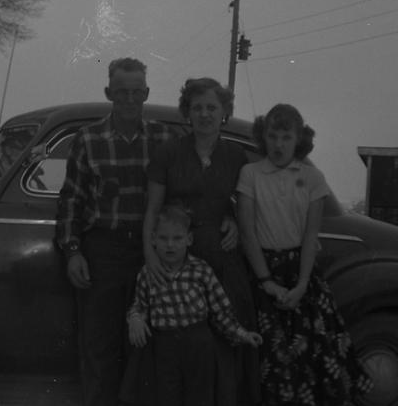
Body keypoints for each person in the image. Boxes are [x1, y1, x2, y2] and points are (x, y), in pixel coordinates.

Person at [55, 57, 175, 406]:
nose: (129, 99)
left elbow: (186, 195)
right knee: (99, 346)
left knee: (145, 345)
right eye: (121, 92)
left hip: (149, 252)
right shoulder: (88, 139)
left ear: (146, 93)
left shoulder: (165, 139)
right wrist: (73, 251)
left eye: (136, 92)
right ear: (109, 92)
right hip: (102, 251)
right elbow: (71, 200)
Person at [236, 104, 373, 406]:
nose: (278, 144)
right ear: (263, 137)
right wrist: (267, 282)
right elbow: (247, 233)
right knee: (271, 363)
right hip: (262, 272)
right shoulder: (251, 174)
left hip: (302, 275)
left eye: (286, 137)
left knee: (317, 360)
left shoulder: (312, 177)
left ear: (298, 139)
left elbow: (312, 236)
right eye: (272, 136)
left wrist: (301, 286)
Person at [142, 77, 260, 406]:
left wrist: (233, 221)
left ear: (224, 112)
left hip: (223, 261)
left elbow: (242, 205)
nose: (205, 114)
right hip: (178, 257)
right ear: (187, 113)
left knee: (224, 342)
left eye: (212, 107)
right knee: (179, 352)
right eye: (197, 108)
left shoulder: (235, 155)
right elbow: (152, 209)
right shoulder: (168, 153)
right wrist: (150, 256)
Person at [127, 203, 263, 406]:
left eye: (177, 238)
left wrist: (242, 334)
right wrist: (135, 319)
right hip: (165, 347)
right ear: (153, 240)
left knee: (200, 396)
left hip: (198, 344)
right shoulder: (148, 273)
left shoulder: (201, 270)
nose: (170, 245)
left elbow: (221, 312)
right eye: (163, 238)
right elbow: (139, 304)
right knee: (166, 395)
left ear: (189, 239)